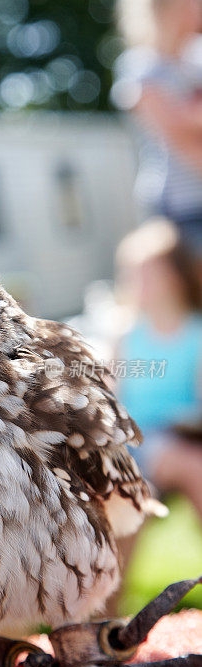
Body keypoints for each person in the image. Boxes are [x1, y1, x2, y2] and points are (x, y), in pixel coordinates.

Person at [115, 218, 202, 520]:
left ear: (176, 277)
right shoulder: (127, 336)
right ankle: (115, 569)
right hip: (137, 441)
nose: (138, 284)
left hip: (182, 435)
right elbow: (113, 399)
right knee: (126, 501)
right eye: (133, 275)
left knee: (193, 468)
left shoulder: (195, 334)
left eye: (148, 275)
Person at [112, 0, 202, 257]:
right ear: (168, 7)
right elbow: (180, 137)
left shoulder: (194, 63)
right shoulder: (142, 68)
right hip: (180, 207)